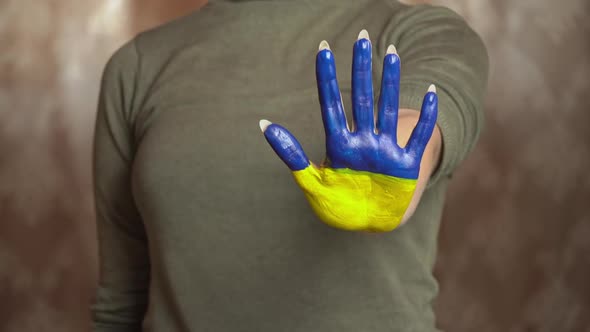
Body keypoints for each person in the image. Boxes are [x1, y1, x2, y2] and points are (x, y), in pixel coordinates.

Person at [91, 0, 488, 331]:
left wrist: (397, 160)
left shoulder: (421, 33)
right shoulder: (137, 67)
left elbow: (426, 120)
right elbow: (121, 301)